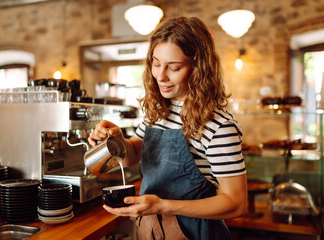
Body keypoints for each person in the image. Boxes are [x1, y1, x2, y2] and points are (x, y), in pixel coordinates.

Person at [88, 16, 247, 240]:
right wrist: (116, 140)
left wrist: (163, 206)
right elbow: (132, 155)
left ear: (198, 67)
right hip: (151, 231)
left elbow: (236, 203)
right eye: (156, 63)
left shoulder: (218, 125)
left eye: (174, 67)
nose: (160, 76)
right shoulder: (159, 110)